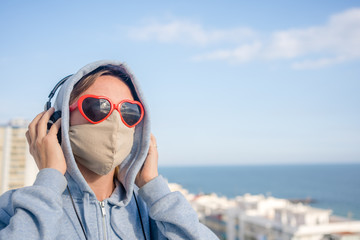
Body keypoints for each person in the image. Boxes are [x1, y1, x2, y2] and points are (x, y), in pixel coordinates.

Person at [0, 61, 219, 239]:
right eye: (97, 106)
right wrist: (49, 181)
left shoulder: (153, 215)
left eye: (129, 111)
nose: (115, 122)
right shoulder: (14, 210)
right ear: (57, 122)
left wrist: (153, 187)